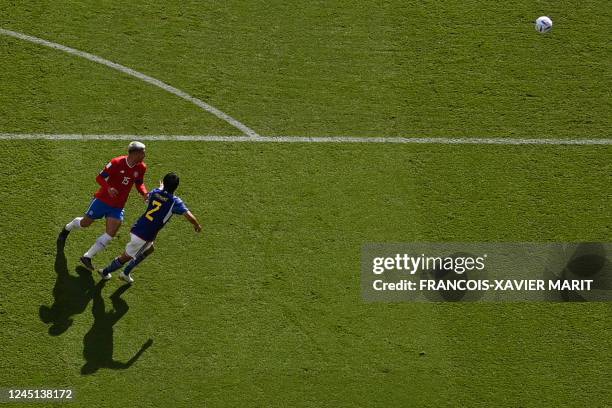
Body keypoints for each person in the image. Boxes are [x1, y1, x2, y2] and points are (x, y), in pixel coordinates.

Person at [58, 141, 149, 271]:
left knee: (110, 233)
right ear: (135, 153)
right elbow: (100, 178)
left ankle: (87, 256)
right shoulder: (117, 162)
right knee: (85, 223)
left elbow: (139, 183)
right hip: (103, 200)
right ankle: (68, 228)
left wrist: (144, 193)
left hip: (118, 205)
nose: (144, 154)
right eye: (143, 152)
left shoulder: (141, 167)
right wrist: (109, 188)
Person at [98, 172, 201, 283]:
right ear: (176, 187)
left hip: (138, 227)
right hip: (145, 236)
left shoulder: (155, 192)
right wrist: (197, 225)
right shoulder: (175, 202)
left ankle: (126, 272)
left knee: (150, 249)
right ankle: (105, 272)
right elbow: (188, 215)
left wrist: (161, 188)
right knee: (126, 257)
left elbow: (154, 195)